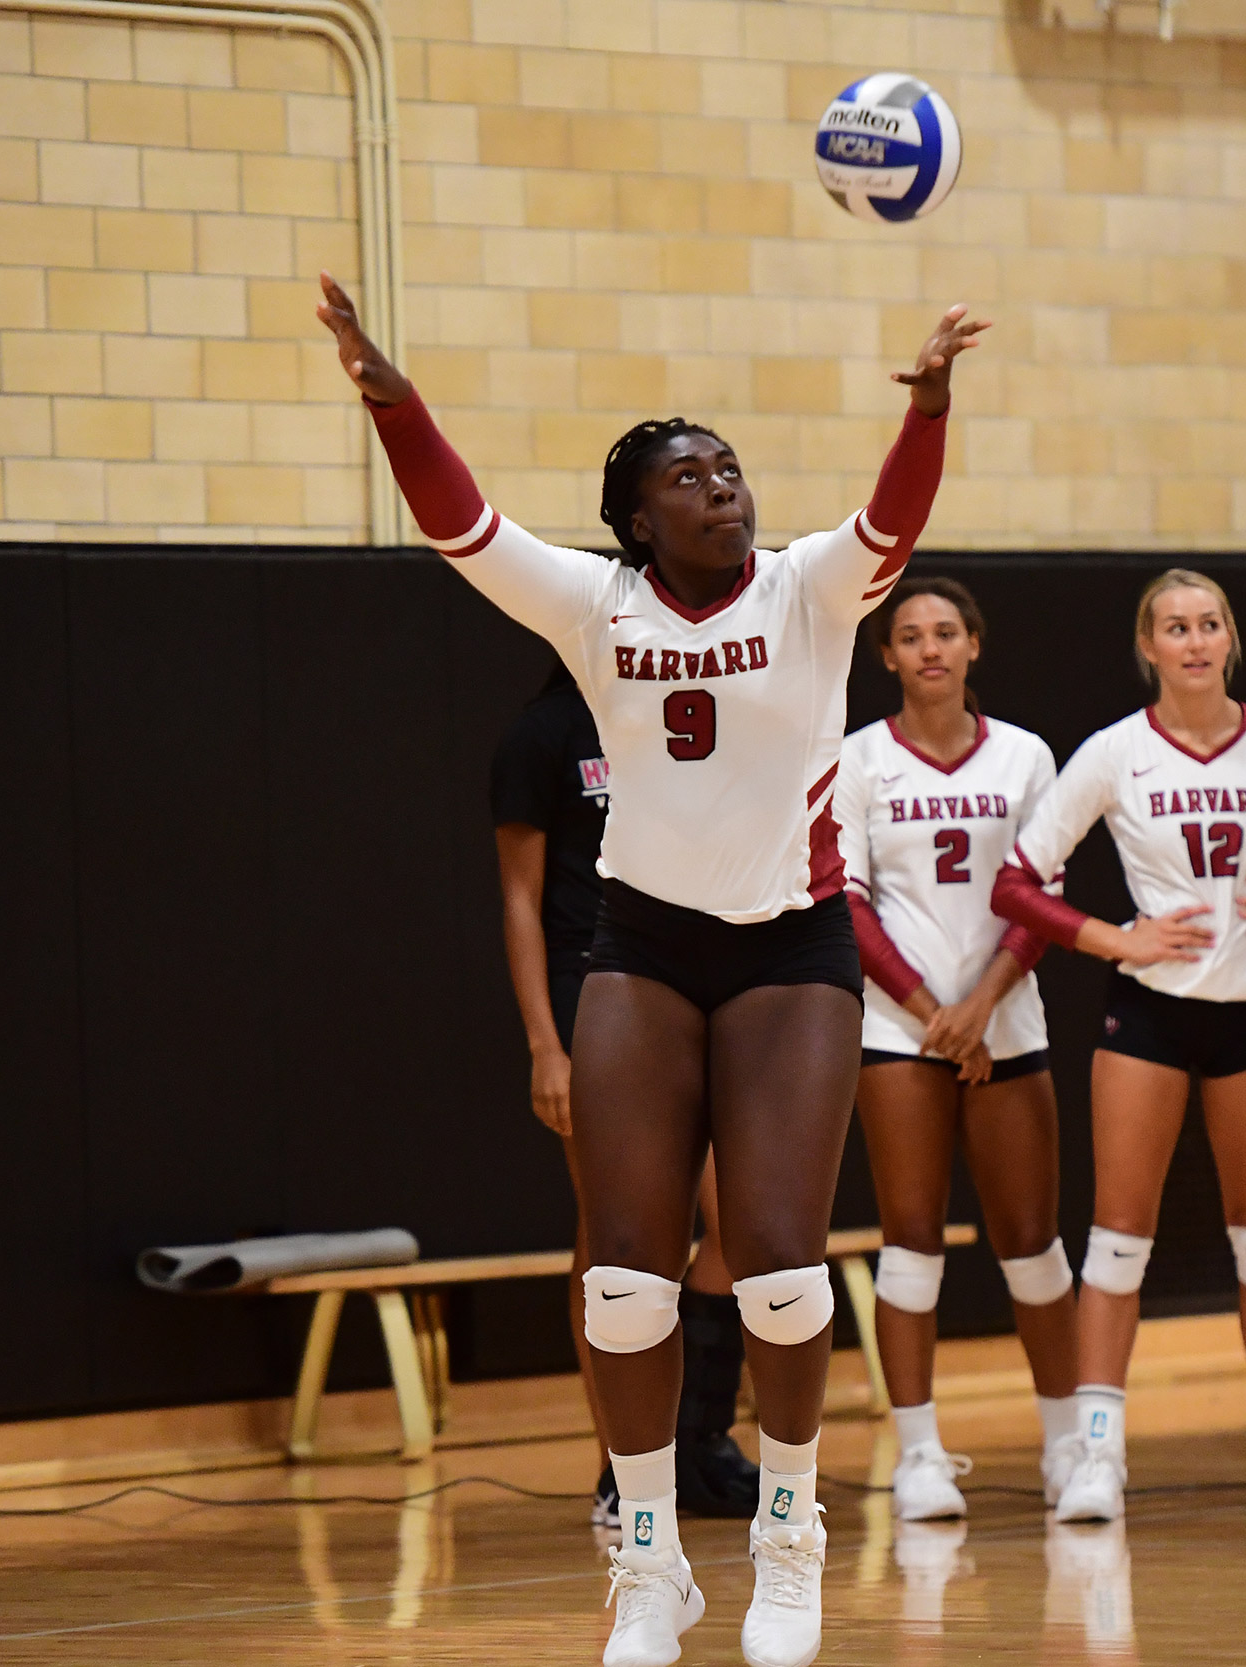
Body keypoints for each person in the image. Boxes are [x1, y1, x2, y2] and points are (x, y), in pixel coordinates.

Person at [320, 269, 987, 1666]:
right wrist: (394, 399)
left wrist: (927, 402)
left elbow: (899, 511)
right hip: (640, 944)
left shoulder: (813, 585)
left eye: (729, 466)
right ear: (638, 516)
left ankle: (790, 1535)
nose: (720, 484)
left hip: (792, 947)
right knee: (623, 1275)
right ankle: (651, 1560)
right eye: (688, 475)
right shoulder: (592, 600)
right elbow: (461, 526)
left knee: (780, 1264)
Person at [992, 569, 1246, 1524]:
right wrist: (1116, 937)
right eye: (1174, 627)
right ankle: (1097, 1456)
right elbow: (1019, 880)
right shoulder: (1114, 752)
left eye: (1209, 624)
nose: (1194, 641)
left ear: (1231, 638)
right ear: (1147, 646)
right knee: (1117, 1239)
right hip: (1146, 1015)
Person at [490, 663, 759, 1527]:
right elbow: (521, 899)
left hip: (696, 980)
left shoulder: (678, 717)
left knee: (744, 1223)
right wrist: (545, 1043)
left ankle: (698, 1438)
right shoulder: (542, 737)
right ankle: (620, 1462)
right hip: (594, 989)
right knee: (619, 1232)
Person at [836, 576, 1079, 1520]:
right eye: (909, 635)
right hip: (898, 1027)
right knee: (912, 1241)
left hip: (1005, 1020)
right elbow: (845, 903)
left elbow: (1043, 896)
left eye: (946, 631)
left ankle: (1070, 1450)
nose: (929, 647)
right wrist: (935, 1010)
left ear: (974, 644)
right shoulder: (858, 761)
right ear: (886, 656)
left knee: (1031, 1243)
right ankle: (922, 1456)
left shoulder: (1025, 757)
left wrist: (979, 1005)